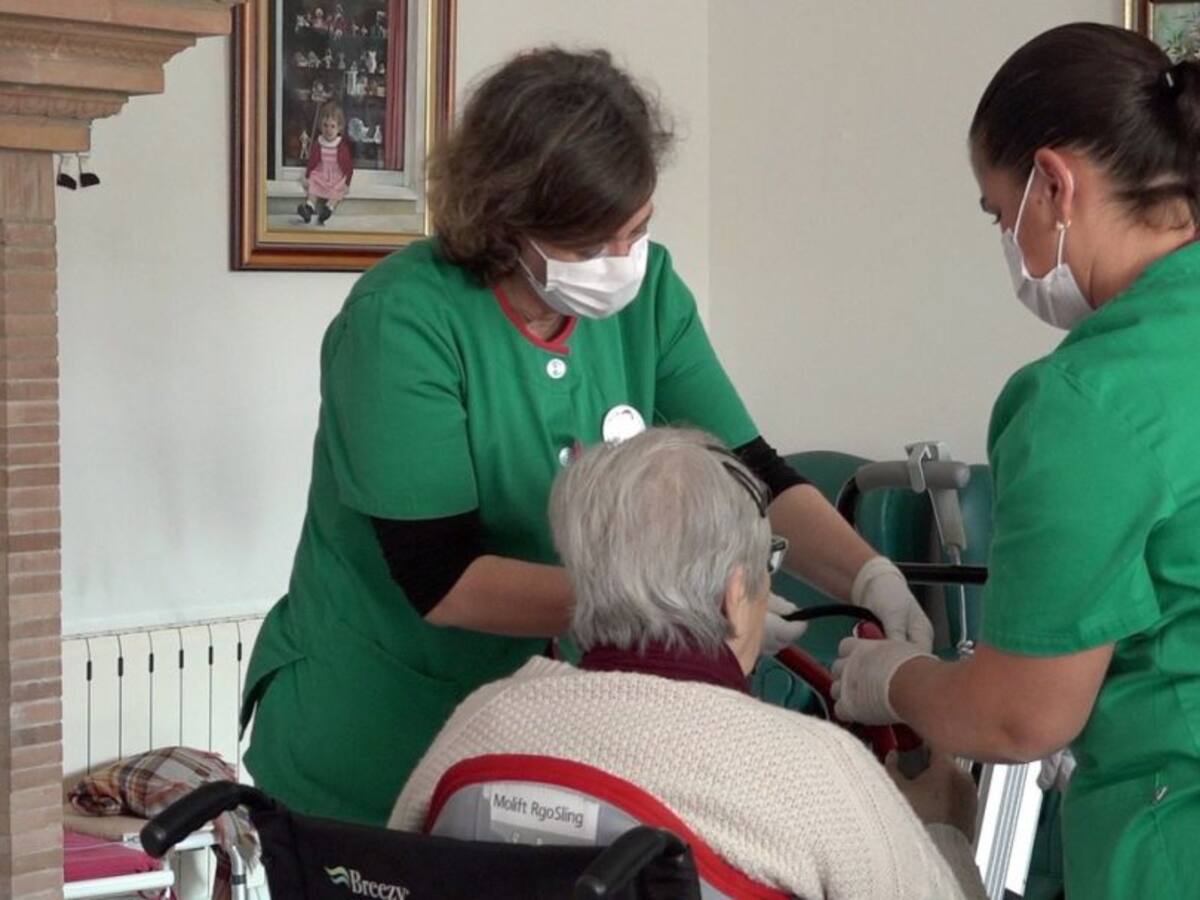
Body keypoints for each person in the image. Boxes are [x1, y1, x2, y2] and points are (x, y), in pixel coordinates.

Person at [242, 47, 932, 827]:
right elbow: (441, 578)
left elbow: (751, 474)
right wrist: (672, 618)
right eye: (587, 244)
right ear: (505, 223)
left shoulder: (651, 295)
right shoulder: (402, 324)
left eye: (636, 230)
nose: (620, 261)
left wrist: (870, 576)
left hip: (540, 739)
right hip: (373, 736)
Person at [830, 23, 1200, 899]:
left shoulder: (1088, 397)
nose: (1008, 237)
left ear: (1055, 184)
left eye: (1001, 212)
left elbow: (1018, 716)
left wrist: (897, 681)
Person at [390, 428, 985, 899]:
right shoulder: (816, 771)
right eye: (766, 566)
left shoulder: (481, 725)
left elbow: (394, 875)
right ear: (733, 595)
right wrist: (944, 829)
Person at [298, 102, 353, 225]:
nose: (328, 130)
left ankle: (328, 208)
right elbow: (312, 161)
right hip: (321, 172)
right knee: (313, 186)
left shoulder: (341, 146)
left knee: (337, 192)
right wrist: (307, 175)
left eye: (332, 126)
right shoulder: (319, 143)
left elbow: (348, 166)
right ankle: (309, 207)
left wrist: (347, 183)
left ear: (339, 127)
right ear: (320, 126)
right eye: (325, 125)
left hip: (336, 175)